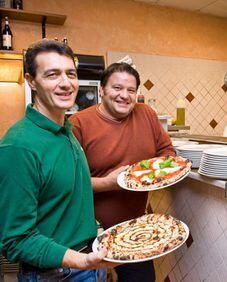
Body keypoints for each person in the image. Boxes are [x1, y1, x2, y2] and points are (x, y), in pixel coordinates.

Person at [0, 39, 111, 281]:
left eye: (70, 73)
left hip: (89, 263)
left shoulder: (65, 129)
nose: (65, 83)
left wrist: (96, 230)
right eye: (52, 75)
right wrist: (81, 261)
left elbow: (67, 199)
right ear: (31, 81)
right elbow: (16, 240)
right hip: (56, 274)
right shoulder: (19, 146)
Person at [70, 62, 175, 282]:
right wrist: (110, 183)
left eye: (131, 90)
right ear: (101, 90)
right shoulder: (78, 124)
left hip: (134, 229)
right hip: (88, 233)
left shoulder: (146, 114)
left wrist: (158, 172)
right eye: (117, 88)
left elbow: (167, 153)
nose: (124, 95)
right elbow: (68, 184)